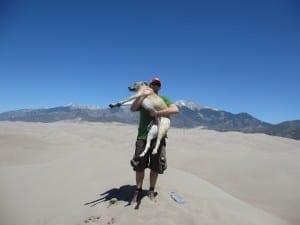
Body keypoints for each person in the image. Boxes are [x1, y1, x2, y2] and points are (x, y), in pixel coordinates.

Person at [130, 77, 179, 202]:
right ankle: (138, 190)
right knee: (139, 166)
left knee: (155, 166)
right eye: (153, 83)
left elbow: (175, 109)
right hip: (142, 136)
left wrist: (157, 113)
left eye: (158, 84)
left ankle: (151, 190)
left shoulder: (164, 99)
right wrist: (142, 96)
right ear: (149, 85)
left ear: (160, 87)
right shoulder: (144, 98)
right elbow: (133, 108)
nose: (155, 86)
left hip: (159, 137)